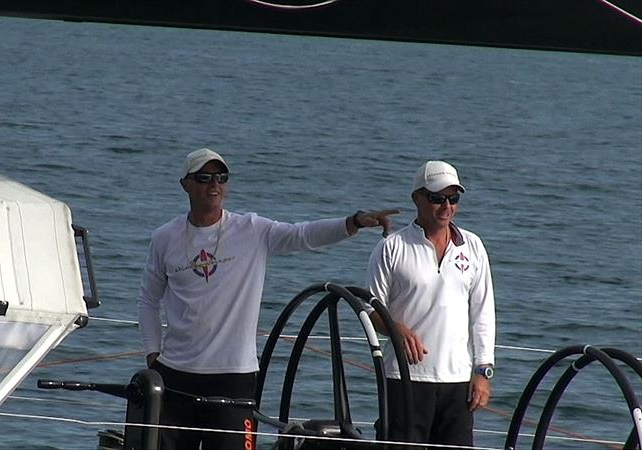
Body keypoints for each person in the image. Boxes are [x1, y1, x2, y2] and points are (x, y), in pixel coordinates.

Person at [138, 148, 399, 450]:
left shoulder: (251, 229)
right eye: (204, 178)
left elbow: (302, 235)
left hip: (234, 376)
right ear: (186, 184)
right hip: (175, 375)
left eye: (222, 178)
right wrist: (152, 355)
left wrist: (353, 222)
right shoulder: (164, 237)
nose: (215, 185)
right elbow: (148, 300)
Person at [366, 160, 495, 449]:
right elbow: (370, 310)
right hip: (404, 378)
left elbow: (483, 313)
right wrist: (395, 328)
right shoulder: (391, 248)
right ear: (418, 198)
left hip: (458, 382)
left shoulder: (473, 247)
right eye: (437, 199)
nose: (446, 206)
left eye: (454, 199)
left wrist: (483, 371)